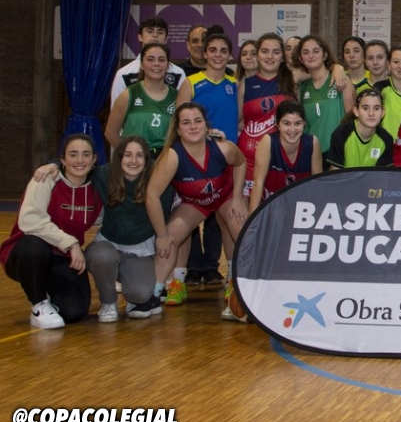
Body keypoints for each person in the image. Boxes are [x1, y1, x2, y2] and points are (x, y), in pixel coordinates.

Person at [144, 102, 248, 321]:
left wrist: (238, 197)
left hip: (225, 195)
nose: (193, 127)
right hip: (194, 202)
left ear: (206, 125)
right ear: (178, 129)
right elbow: (151, 195)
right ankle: (157, 292)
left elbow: (241, 163)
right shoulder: (172, 156)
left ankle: (236, 283)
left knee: (238, 226)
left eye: (198, 121)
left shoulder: (224, 148)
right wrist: (161, 235)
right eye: (186, 122)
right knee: (170, 237)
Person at [1, 135, 102, 328]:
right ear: (62, 159)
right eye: (73, 154)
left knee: (74, 312)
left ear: (94, 159)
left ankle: (46, 288)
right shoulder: (45, 179)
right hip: (26, 254)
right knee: (34, 245)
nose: (80, 160)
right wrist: (71, 244)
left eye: (86, 154)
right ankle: (38, 304)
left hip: (62, 256)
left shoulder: (97, 188)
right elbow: (30, 221)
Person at [175, 29, 239, 286]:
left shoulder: (235, 84)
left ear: (230, 55)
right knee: (189, 219)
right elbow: (179, 119)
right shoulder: (191, 82)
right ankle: (189, 270)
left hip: (225, 160)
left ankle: (216, 269)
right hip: (196, 160)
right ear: (205, 53)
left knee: (222, 220)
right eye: (213, 50)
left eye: (223, 51)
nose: (218, 55)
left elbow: (240, 119)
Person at [85, 136, 172, 321]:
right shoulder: (104, 175)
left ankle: (131, 288)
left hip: (139, 251)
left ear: (147, 159)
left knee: (140, 294)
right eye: (127, 155)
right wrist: (54, 166)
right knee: (101, 256)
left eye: (139, 155)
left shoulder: (158, 181)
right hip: (108, 244)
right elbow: (78, 166)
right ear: (119, 157)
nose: (133, 160)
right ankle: (108, 302)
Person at [237, 32, 296, 197]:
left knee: (280, 206)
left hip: (282, 158)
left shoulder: (293, 79)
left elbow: (321, 68)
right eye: (264, 51)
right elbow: (237, 121)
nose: (270, 57)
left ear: (283, 57)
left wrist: (338, 69)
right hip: (250, 159)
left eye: (276, 52)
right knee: (249, 209)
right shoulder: (246, 85)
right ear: (257, 55)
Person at [250, 100, 324, 212]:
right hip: (272, 208)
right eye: (286, 123)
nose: (292, 129)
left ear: (304, 124)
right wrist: (253, 220)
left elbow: (318, 185)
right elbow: (258, 184)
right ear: (278, 125)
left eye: (298, 123)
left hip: (302, 210)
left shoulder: (313, 143)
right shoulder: (268, 142)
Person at [104, 42, 176, 157]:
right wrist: (129, 155)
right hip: (136, 162)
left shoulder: (177, 96)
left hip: (166, 161)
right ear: (142, 64)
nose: (156, 63)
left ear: (168, 65)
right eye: (150, 59)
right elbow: (110, 133)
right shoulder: (128, 95)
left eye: (161, 60)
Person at [297, 35, 356, 160]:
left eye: (316, 51)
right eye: (306, 52)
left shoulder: (341, 79)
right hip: (311, 153)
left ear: (324, 55)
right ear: (300, 58)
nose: (311, 56)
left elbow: (352, 118)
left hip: (338, 152)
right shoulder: (301, 87)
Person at [110, 16, 185, 103]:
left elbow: (183, 107)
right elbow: (116, 109)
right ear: (140, 37)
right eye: (150, 31)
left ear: (165, 40)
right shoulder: (123, 74)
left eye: (160, 32)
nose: (155, 35)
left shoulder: (178, 73)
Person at [327, 89, 395, 171]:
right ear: (356, 111)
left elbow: (384, 175)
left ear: (382, 113)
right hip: (345, 179)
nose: (371, 113)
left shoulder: (386, 139)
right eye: (365, 108)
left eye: (376, 108)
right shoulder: (341, 135)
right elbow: (335, 174)